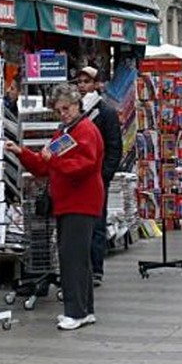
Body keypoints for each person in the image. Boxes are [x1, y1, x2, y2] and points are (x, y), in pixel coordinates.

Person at [5, 84, 104, 331]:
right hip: (71, 202)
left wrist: (54, 160)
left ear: (77, 105)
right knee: (78, 259)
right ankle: (85, 310)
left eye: (66, 108)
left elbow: (83, 165)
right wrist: (22, 152)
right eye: (59, 110)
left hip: (80, 203)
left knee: (72, 259)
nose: (63, 113)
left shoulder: (85, 130)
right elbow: (44, 165)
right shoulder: (67, 131)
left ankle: (75, 311)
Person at [76, 66, 122, 286]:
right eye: (79, 82)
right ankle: (82, 266)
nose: (82, 85)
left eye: (86, 81)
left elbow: (115, 148)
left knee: (96, 223)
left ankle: (96, 268)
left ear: (96, 84)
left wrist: (104, 176)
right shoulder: (75, 112)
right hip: (77, 178)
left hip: (97, 179)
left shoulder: (106, 112)